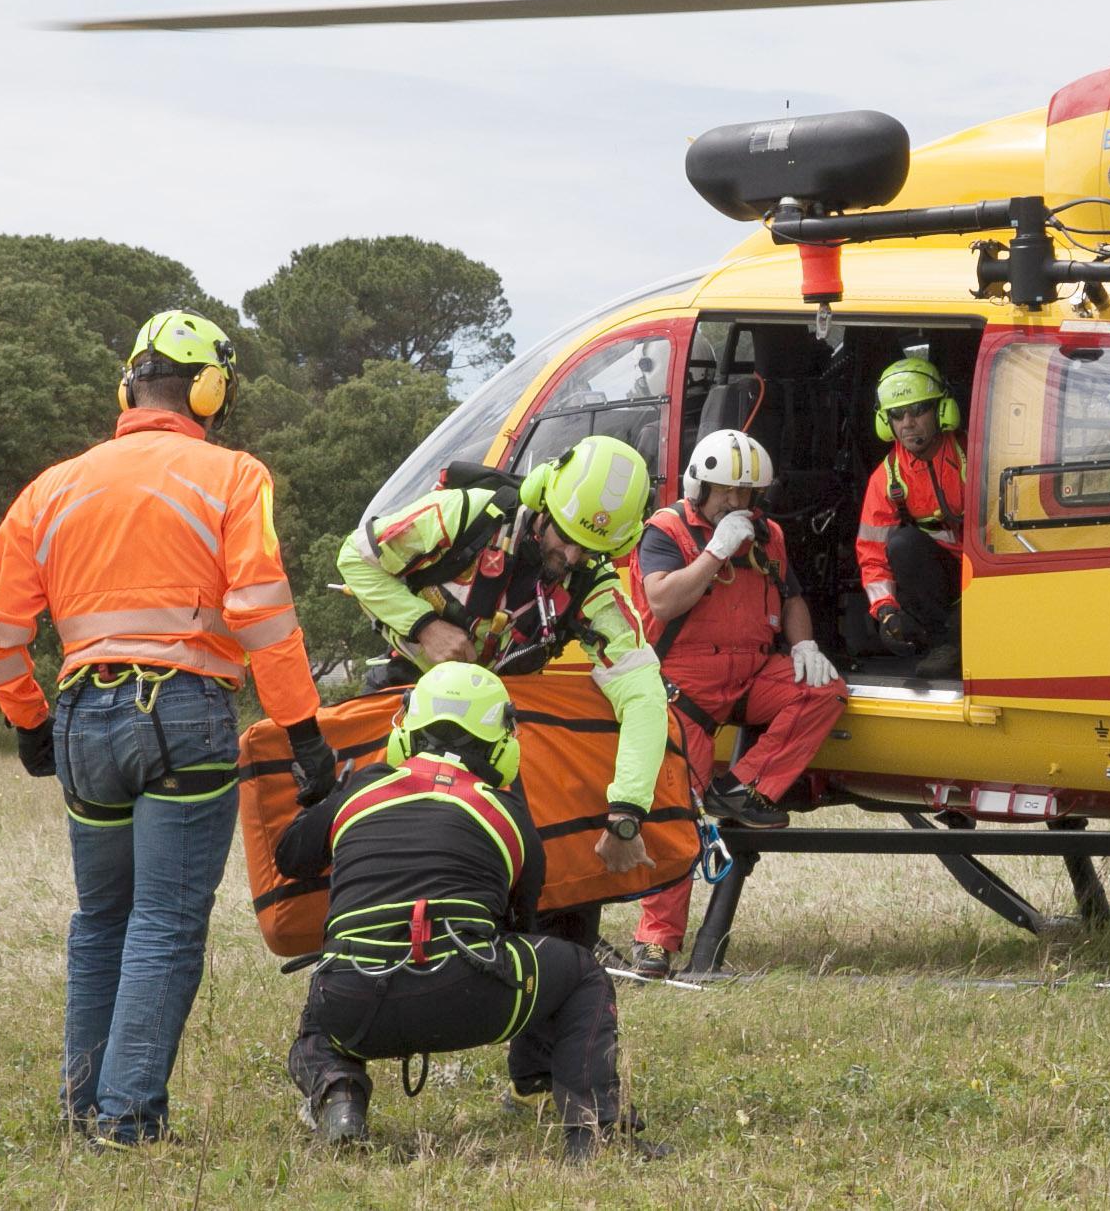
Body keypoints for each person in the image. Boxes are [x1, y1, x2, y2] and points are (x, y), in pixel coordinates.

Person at [0, 310, 337, 1147]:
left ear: (127, 384)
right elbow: (263, 613)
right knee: (166, 919)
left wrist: (30, 719)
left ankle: (81, 1103)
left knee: (102, 917)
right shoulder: (235, 475)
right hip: (182, 714)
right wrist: (302, 728)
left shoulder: (51, 486)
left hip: (80, 720)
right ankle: (127, 1119)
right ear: (210, 391)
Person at [279, 663, 645, 1160]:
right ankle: (588, 1131)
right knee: (581, 973)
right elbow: (520, 925)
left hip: (353, 1003)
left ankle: (340, 1097)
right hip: (468, 995)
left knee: (320, 1011)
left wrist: (318, 803)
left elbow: (290, 858)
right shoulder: (507, 813)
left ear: (407, 724)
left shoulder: (358, 791)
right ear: (502, 738)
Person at [337, 436, 670, 947]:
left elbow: (644, 694)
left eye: (592, 549)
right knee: (387, 830)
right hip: (407, 694)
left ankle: (543, 956)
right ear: (544, 499)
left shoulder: (593, 586)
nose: (573, 554)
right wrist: (423, 625)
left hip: (494, 728)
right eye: (566, 537)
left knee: (531, 845)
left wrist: (627, 811)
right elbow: (356, 558)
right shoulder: (464, 515)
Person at [626, 430, 846, 978]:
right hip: (684, 690)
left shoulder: (767, 536)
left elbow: (790, 594)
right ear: (699, 486)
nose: (737, 504)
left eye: (747, 495)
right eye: (726, 492)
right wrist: (715, 551)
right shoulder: (666, 531)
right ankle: (656, 943)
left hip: (748, 674)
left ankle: (742, 788)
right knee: (673, 815)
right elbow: (663, 598)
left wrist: (804, 645)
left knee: (823, 691)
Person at [855, 357, 966, 679]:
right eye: (897, 414)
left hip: (984, 574)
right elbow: (872, 557)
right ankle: (945, 643)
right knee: (902, 544)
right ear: (884, 422)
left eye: (919, 410)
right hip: (938, 581)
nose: (908, 423)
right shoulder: (887, 478)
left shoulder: (973, 455)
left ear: (942, 411)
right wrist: (886, 611)